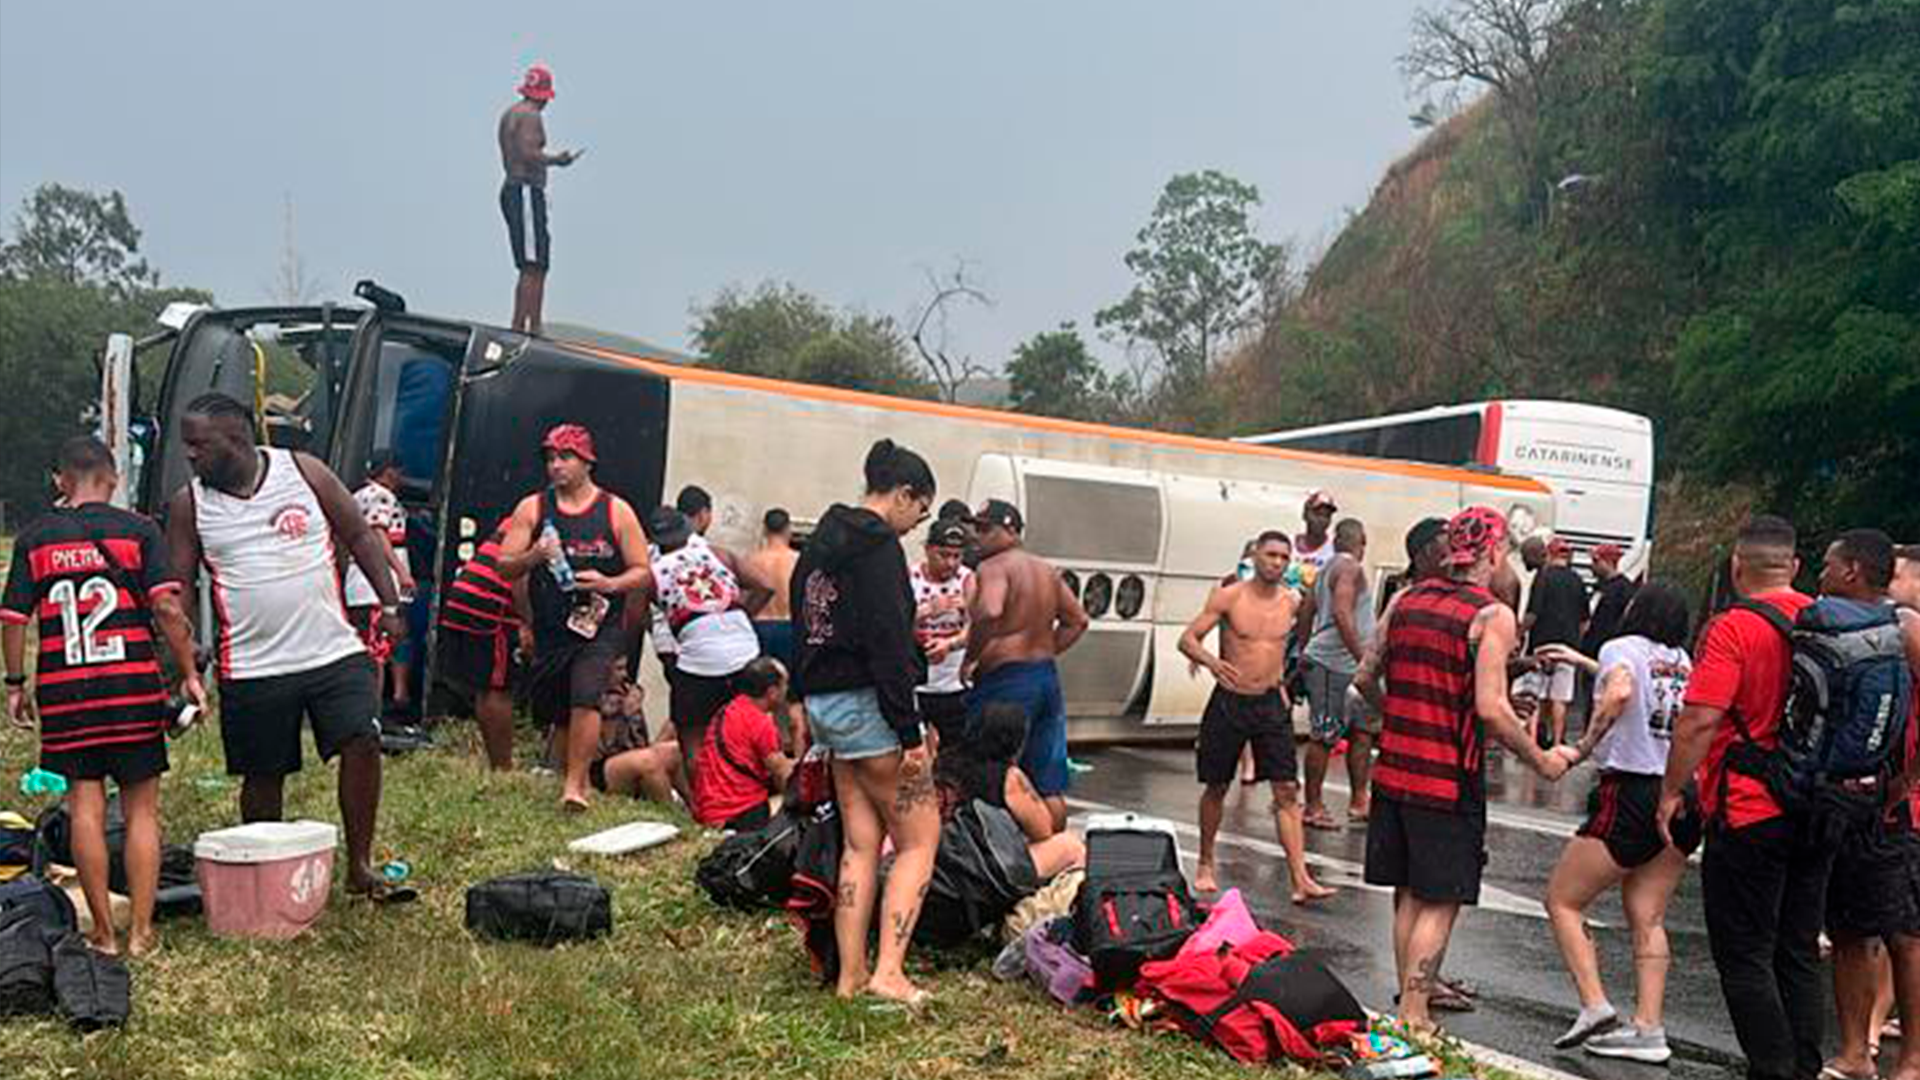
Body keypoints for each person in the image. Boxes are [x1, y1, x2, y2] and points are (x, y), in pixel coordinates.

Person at [164, 393, 413, 903]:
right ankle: (264, 875)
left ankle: (360, 866)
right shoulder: (190, 505)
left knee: (363, 741)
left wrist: (389, 604)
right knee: (263, 776)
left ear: (236, 438)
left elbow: (360, 536)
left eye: (198, 444)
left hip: (332, 650)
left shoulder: (303, 472)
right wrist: (182, 654)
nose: (189, 454)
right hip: (252, 664)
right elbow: (180, 585)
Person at [1355, 506, 1570, 1032]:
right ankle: (1413, 1013)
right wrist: (1541, 758)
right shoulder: (1491, 616)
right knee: (1442, 897)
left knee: (1409, 892)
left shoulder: (1404, 600)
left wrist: (1398, 715)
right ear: (1494, 552)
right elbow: (1491, 709)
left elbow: (1363, 678)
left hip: (1394, 772)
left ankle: (1408, 1008)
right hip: (1447, 777)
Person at [3, 436, 206, 955]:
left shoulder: (36, 538)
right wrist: (188, 672)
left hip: (67, 693)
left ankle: (103, 932)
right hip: (132, 688)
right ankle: (141, 931)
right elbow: (167, 609)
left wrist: (15, 684)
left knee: (86, 809)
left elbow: (13, 619)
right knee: (142, 811)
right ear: (113, 480)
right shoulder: (139, 531)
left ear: (60, 480)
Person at [1657, 515, 1824, 1080]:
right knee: (1797, 948)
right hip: (1819, 805)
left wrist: (1672, 791)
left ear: (1736, 567)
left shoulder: (1733, 627)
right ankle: (1803, 1068)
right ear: (1795, 566)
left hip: (1750, 806)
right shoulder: (1825, 619)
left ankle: (1773, 1070)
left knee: (1745, 953)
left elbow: (1699, 720)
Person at [791, 438, 940, 1007]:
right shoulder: (878, 550)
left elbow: (804, 621)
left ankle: (850, 976)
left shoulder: (820, 543)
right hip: (870, 708)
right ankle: (889, 972)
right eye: (919, 510)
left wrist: (803, 699)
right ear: (902, 493)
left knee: (860, 843)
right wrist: (909, 732)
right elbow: (888, 643)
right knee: (919, 840)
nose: (916, 523)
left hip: (828, 705)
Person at [1533, 582, 1697, 1062]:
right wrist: (1583, 662)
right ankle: (1649, 1028)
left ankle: (1594, 1004)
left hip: (1630, 789)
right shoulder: (1682, 661)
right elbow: (1640, 684)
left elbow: (1622, 689)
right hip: (1680, 793)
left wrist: (1582, 747)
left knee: (1563, 900)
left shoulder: (1619, 647)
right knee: (1649, 917)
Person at [1804, 530, 1920, 1080]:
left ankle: (1913, 1058)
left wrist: (1908, 779)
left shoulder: (1906, 628)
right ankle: (1855, 1053)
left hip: (1897, 805)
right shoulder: (1832, 621)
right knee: (1850, 928)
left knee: (1904, 933)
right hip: (1850, 796)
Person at [496, 424, 652, 811]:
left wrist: (610, 583)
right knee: (558, 706)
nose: (556, 466)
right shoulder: (533, 507)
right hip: (552, 624)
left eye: (565, 457)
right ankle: (563, 772)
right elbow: (504, 566)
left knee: (586, 696)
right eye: (550, 458)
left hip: (600, 624)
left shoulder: (616, 510)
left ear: (587, 462)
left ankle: (574, 787)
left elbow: (642, 572)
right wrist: (534, 556)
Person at [1178, 531, 1336, 903]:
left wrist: (1286, 681)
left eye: (1283, 557)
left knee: (1286, 790)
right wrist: (1212, 663)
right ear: (1256, 556)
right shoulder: (1230, 596)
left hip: (1269, 704)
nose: (1277, 562)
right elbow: (1187, 639)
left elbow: (1295, 643)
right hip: (1230, 702)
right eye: (1270, 555)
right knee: (1217, 785)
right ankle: (1205, 861)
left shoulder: (1291, 601)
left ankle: (1300, 878)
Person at [966, 499, 1090, 833]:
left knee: (990, 773)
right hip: (1044, 677)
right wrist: (1046, 649)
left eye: (984, 528)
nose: (977, 536)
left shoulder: (993, 567)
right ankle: (1056, 851)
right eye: (975, 528)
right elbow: (1077, 620)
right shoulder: (1046, 570)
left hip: (1005, 681)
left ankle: (991, 849)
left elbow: (990, 611)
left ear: (1010, 531)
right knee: (1047, 781)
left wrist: (972, 656)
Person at [647, 506, 772, 782]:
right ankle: (750, 795)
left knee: (693, 740)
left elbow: (633, 621)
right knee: (748, 734)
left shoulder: (651, 572)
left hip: (698, 662)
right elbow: (765, 585)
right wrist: (741, 615)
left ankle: (706, 803)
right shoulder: (718, 554)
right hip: (745, 653)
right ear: (687, 531)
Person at [935, 700, 1086, 880]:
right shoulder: (1009, 778)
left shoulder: (942, 763)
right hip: (986, 868)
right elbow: (1043, 831)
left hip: (939, 861)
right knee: (1070, 846)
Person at [1298, 518, 1378, 828]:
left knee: (1362, 732)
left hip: (1339, 665)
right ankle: (1313, 806)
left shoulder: (1326, 569)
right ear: (1363, 542)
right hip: (1334, 665)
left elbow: (1306, 610)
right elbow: (1342, 613)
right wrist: (1362, 659)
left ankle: (1359, 801)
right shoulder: (1349, 568)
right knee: (1325, 734)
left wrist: (1304, 649)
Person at [435, 515, 526, 770]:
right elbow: (519, 575)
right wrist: (528, 621)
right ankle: (502, 767)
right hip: (491, 605)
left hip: (468, 594)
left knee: (488, 688)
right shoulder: (541, 517)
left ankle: (497, 763)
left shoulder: (523, 514)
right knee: (498, 689)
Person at [498, 63, 580, 336]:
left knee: (534, 264)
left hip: (515, 189)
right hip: (525, 190)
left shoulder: (510, 114)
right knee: (534, 265)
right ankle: (527, 327)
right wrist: (558, 160)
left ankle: (527, 324)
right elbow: (528, 152)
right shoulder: (530, 116)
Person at [342, 449, 416, 714]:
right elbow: (378, 534)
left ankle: (381, 706)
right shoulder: (381, 495)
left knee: (376, 645)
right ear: (390, 472)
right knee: (376, 651)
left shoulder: (357, 495)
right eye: (399, 471)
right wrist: (401, 571)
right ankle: (371, 713)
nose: (402, 477)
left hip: (360, 584)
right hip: (375, 587)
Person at [690, 657, 796, 832]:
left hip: (710, 814)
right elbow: (782, 774)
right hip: (741, 815)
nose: (787, 690)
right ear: (772, 692)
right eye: (785, 685)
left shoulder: (726, 711)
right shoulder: (760, 723)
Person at [912, 517, 975, 746]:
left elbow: (977, 628)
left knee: (955, 750)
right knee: (915, 753)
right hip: (917, 683)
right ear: (928, 550)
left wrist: (951, 644)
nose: (951, 563)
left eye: (957, 556)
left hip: (953, 682)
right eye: (944, 555)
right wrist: (926, 611)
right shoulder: (910, 577)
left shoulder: (967, 579)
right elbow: (892, 627)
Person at [1524, 536, 1589, 746]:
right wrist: (1575, 642)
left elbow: (1533, 613)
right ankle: (1558, 742)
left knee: (1535, 696)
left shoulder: (1543, 576)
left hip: (1541, 645)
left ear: (1550, 554)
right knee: (1559, 698)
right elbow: (1585, 621)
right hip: (1567, 648)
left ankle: (1531, 741)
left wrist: (1519, 632)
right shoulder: (1578, 580)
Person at [588, 670, 681, 805]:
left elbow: (640, 741)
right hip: (600, 767)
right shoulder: (592, 698)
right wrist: (622, 712)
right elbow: (606, 746)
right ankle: (670, 808)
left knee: (675, 749)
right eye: (619, 669)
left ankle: (694, 808)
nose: (624, 674)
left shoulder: (628, 691)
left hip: (634, 753)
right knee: (649, 762)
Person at [746, 508, 800, 667]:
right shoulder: (798, 560)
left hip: (759, 627)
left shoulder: (750, 561)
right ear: (788, 529)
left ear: (764, 530)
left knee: (757, 679)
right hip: (789, 627)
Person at [1582, 543, 1637, 657]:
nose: (1592, 566)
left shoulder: (1623, 589)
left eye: (1596, 561)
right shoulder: (1600, 587)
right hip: (1592, 649)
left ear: (1609, 562)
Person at [1289, 490, 1339, 591]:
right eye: (1317, 514)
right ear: (1305, 515)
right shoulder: (1289, 544)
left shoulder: (1335, 548)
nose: (1322, 520)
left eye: (1327, 516)